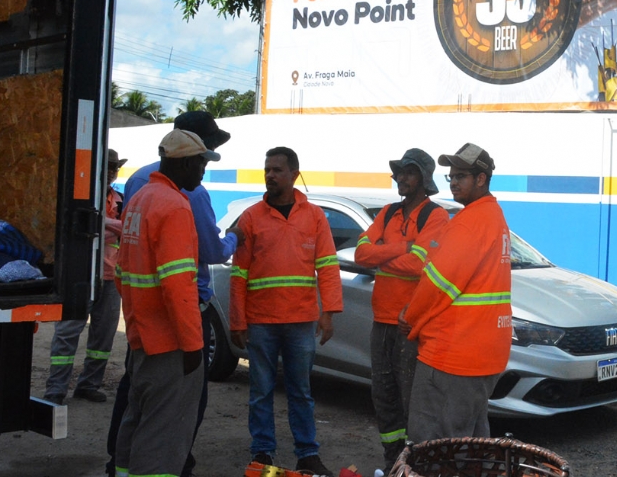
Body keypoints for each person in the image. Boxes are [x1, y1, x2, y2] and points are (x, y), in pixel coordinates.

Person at [107, 111, 238, 477]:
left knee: (136, 418)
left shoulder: (139, 197)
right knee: (165, 434)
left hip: (142, 335)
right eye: (200, 163)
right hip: (171, 342)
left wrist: (136, 323)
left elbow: (123, 273)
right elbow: (178, 287)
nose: (202, 172)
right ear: (182, 164)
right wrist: (193, 344)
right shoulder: (176, 205)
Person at [229, 146, 342, 476]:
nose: (270, 175)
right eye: (267, 170)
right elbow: (239, 273)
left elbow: (328, 266)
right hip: (261, 321)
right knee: (260, 391)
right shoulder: (251, 217)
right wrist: (238, 320)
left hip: (301, 321)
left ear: (294, 174)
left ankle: (307, 453)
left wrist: (329, 312)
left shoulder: (314, 216)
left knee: (301, 393)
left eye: (277, 170)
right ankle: (262, 452)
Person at [404, 143, 511, 444]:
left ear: (481, 179)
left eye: (461, 176)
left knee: (435, 448)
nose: (452, 181)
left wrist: (409, 317)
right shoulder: (494, 216)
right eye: (451, 175)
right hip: (482, 354)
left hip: (452, 355)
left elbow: (438, 285)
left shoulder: (470, 223)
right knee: (471, 445)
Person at [354, 148, 449, 472]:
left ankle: (416, 463)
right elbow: (361, 254)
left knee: (412, 400)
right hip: (381, 321)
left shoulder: (434, 216)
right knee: (383, 397)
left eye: (409, 173)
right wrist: (402, 248)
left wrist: (383, 252)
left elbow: (420, 263)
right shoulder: (388, 212)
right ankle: (392, 461)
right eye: (399, 172)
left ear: (423, 179)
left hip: (410, 323)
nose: (401, 178)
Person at [43, 149, 127, 405]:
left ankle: (89, 385)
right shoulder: (81, 197)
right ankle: (56, 389)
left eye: (115, 168)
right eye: (108, 167)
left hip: (111, 277)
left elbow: (123, 229)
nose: (112, 172)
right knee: (67, 332)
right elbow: (84, 224)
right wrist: (111, 226)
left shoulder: (120, 200)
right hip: (80, 275)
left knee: (103, 337)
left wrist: (104, 225)